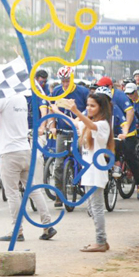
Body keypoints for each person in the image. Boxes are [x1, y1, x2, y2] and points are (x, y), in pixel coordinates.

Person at [0, 93, 55, 242]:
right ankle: (48, 225)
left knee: (12, 193)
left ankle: (17, 230)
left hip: (9, 152)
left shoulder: (2, 99)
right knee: (33, 189)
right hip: (25, 149)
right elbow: (7, 120)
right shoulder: (22, 99)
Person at [49, 95, 114, 252]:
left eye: (93, 106)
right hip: (88, 172)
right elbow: (74, 122)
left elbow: (90, 125)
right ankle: (101, 240)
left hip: (96, 171)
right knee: (91, 208)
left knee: (96, 208)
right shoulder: (87, 123)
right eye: (88, 105)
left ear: (101, 108)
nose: (89, 108)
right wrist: (57, 111)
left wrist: (76, 111)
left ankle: (101, 241)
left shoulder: (103, 124)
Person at [48, 66, 91, 207]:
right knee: (59, 163)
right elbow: (53, 110)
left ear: (72, 79)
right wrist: (52, 126)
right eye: (62, 81)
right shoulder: (57, 91)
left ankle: (85, 185)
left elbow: (89, 109)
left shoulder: (83, 92)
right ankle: (59, 195)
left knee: (84, 157)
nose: (65, 84)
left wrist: (81, 121)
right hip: (63, 131)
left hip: (79, 131)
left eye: (67, 81)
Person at [97, 77, 139, 199]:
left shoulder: (119, 96)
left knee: (130, 156)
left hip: (126, 132)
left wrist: (126, 129)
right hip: (110, 132)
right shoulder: (100, 97)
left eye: (101, 86)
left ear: (109, 87)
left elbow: (130, 112)